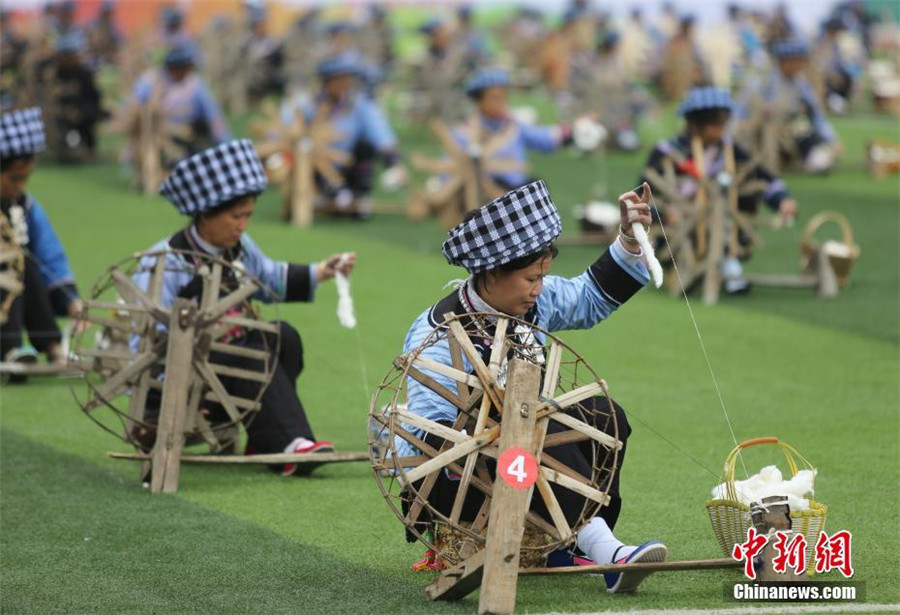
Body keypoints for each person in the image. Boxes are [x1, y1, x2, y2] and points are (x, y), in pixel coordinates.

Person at [398, 179, 667, 592]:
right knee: (537, 431)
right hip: (452, 478)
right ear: (490, 274)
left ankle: (570, 545)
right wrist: (502, 430)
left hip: (521, 444)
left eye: (543, 275)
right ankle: (606, 552)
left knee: (605, 416)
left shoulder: (532, 302)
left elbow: (590, 296)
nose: (539, 288)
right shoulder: (435, 338)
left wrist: (630, 240)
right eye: (529, 278)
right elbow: (425, 440)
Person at [138, 138, 355, 475]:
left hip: (232, 356)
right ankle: (293, 445)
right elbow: (148, 342)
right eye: (235, 217)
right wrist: (173, 394)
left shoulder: (239, 246)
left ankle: (266, 438)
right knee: (252, 346)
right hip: (190, 371)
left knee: (285, 336)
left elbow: (268, 278)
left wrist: (322, 271)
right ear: (206, 214)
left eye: (248, 216)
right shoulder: (165, 264)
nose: (243, 225)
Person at [640, 86, 797, 294]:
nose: (722, 130)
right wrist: (663, 213)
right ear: (695, 125)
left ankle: (730, 266)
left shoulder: (730, 149)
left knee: (735, 212)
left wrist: (782, 200)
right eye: (715, 124)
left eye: (724, 124)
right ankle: (666, 267)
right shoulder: (668, 151)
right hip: (677, 225)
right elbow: (643, 195)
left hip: (722, 222)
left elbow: (763, 178)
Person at [0, 108, 83, 379]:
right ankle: (9, 348)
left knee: (26, 265)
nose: (20, 186)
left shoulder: (24, 206)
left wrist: (71, 301)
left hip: (19, 280)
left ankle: (52, 346)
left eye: (25, 178)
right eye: (14, 178)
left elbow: (49, 255)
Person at [281, 52, 405, 218]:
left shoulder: (358, 105)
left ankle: (360, 197)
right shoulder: (308, 104)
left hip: (348, 164)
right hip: (316, 164)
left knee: (365, 147)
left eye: (346, 79)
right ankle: (327, 195)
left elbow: (380, 132)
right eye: (338, 79)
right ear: (326, 81)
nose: (343, 84)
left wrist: (393, 161)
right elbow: (287, 126)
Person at [454, 68, 601, 191]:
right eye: (495, 98)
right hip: (486, 192)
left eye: (503, 97)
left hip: (517, 187)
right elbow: (454, 169)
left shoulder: (512, 126)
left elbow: (542, 137)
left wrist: (574, 131)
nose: (501, 103)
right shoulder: (465, 132)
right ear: (479, 101)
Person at [737, 39, 839, 173]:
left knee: (802, 126)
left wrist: (832, 139)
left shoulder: (800, 84)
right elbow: (741, 109)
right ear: (785, 62)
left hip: (786, 133)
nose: (800, 66)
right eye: (797, 61)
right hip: (757, 132)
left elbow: (816, 113)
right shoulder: (763, 81)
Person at [127, 42, 231, 170]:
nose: (186, 71)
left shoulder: (195, 84)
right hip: (159, 133)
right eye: (183, 67)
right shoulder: (150, 81)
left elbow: (213, 116)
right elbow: (133, 105)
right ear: (172, 67)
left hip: (189, 133)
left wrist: (225, 144)